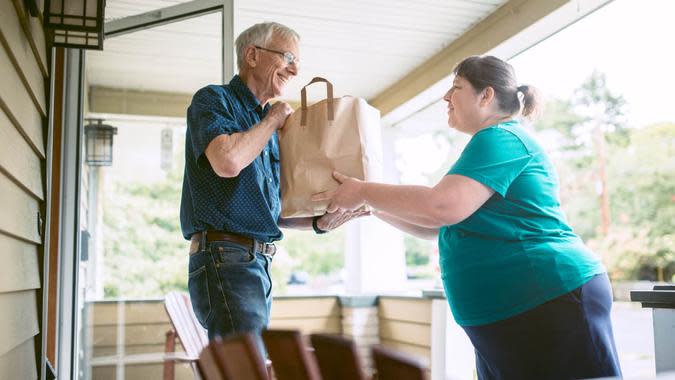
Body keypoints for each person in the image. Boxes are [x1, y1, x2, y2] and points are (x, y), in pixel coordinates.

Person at [313, 55, 622, 379]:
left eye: (456, 88)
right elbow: (440, 223)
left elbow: (441, 206)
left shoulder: (502, 137)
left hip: (547, 297)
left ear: (486, 95)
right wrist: (372, 208)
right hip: (511, 312)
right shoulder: (490, 144)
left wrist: (363, 191)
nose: (446, 97)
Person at [180, 22, 362, 350]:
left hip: (255, 263)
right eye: (288, 57)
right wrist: (272, 121)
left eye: (298, 63)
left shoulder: (268, 129)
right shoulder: (214, 100)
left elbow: (271, 213)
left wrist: (320, 223)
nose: (295, 70)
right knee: (246, 368)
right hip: (226, 258)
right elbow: (227, 161)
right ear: (252, 55)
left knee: (247, 365)